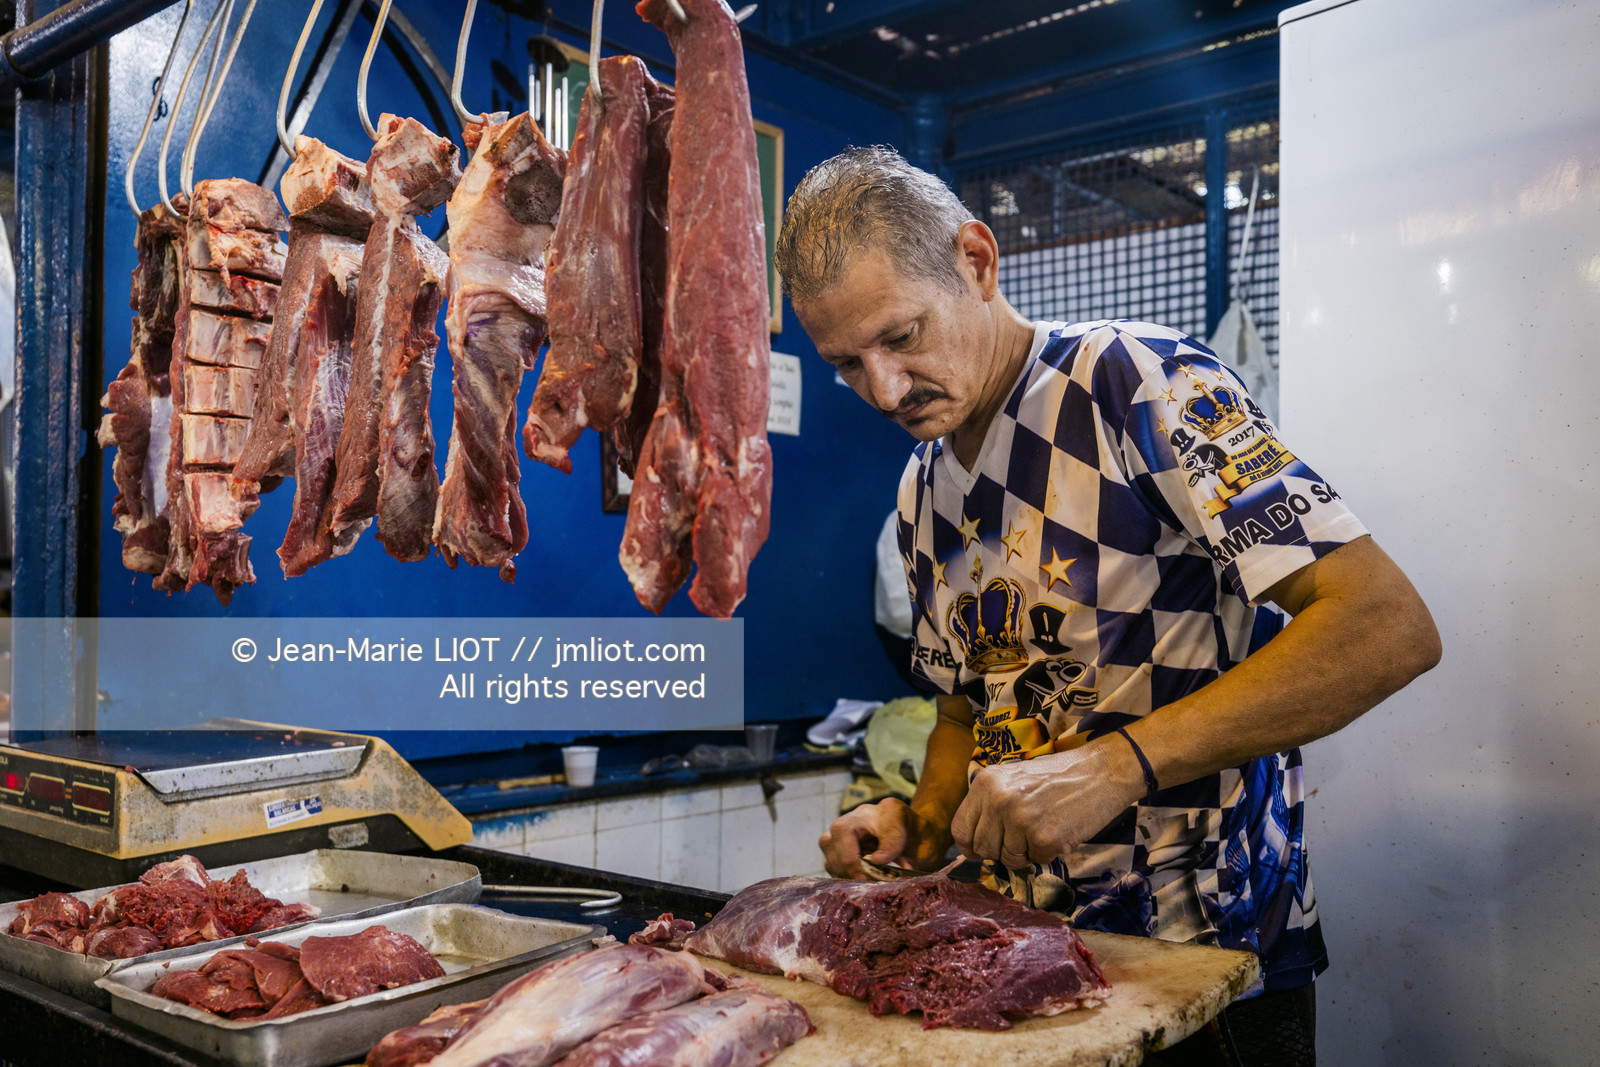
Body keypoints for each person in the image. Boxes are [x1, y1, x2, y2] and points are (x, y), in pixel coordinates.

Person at [775, 146, 1441, 1065]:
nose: (883, 390)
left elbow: (1385, 625)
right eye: (847, 364)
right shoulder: (919, 490)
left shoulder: (1137, 382)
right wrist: (919, 822)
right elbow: (964, 711)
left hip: (1206, 960)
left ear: (976, 260)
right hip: (1018, 967)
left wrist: (1118, 765)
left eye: (901, 336)